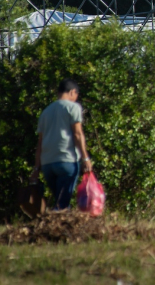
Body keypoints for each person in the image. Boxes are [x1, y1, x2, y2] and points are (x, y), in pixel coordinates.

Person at [29, 79, 93, 211]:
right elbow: (78, 134)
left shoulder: (45, 112)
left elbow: (39, 143)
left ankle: (60, 227)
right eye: (76, 95)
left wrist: (36, 168)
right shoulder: (72, 107)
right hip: (66, 161)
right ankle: (50, 229)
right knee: (62, 205)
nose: (76, 98)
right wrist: (85, 158)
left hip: (47, 164)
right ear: (72, 92)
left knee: (60, 200)